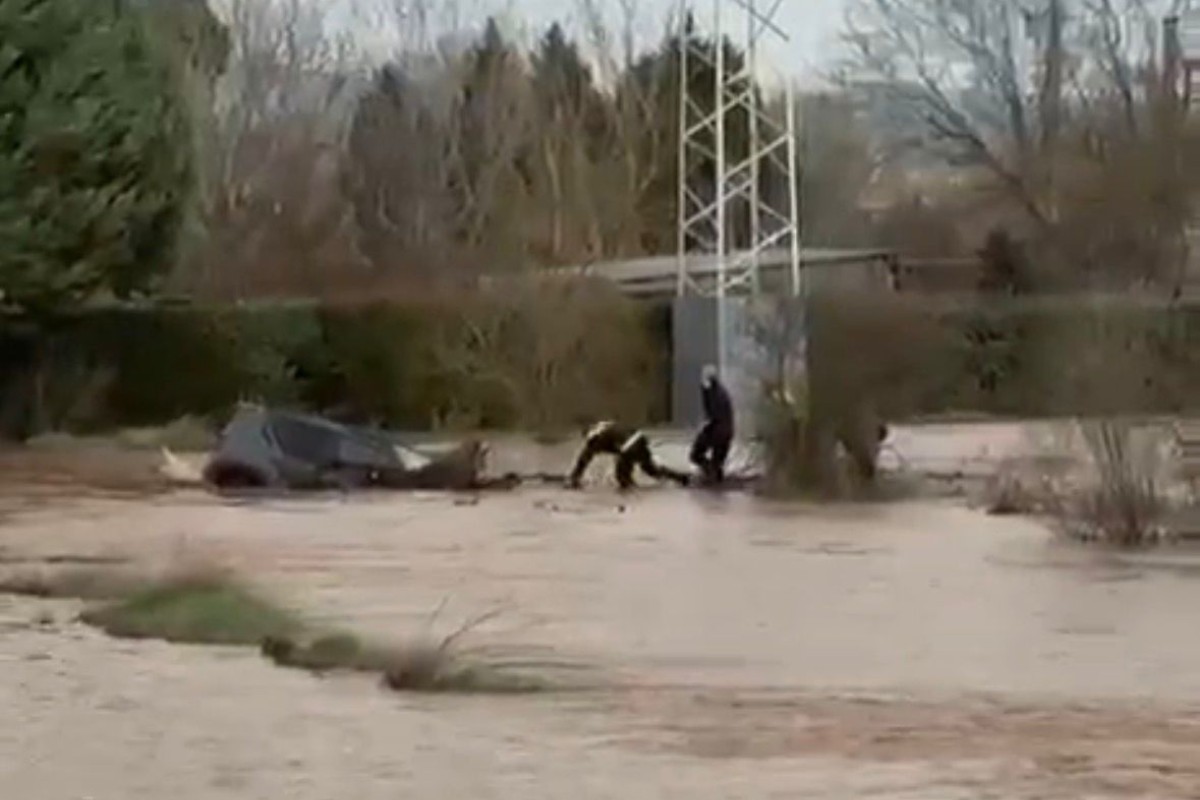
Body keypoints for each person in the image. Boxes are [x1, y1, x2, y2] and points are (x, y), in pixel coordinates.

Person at [567, 420, 691, 491]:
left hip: (628, 446)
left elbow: (584, 458)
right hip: (640, 439)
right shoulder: (606, 426)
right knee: (650, 469)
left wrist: (574, 477)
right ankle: (682, 478)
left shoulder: (594, 438)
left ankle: (632, 495)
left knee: (623, 480)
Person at [690, 364, 734, 485]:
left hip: (718, 431)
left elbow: (714, 415)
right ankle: (713, 476)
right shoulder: (716, 391)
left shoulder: (716, 393)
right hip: (725, 432)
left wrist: (704, 426)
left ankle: (710, 475)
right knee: (716, 464)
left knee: (696, 455)